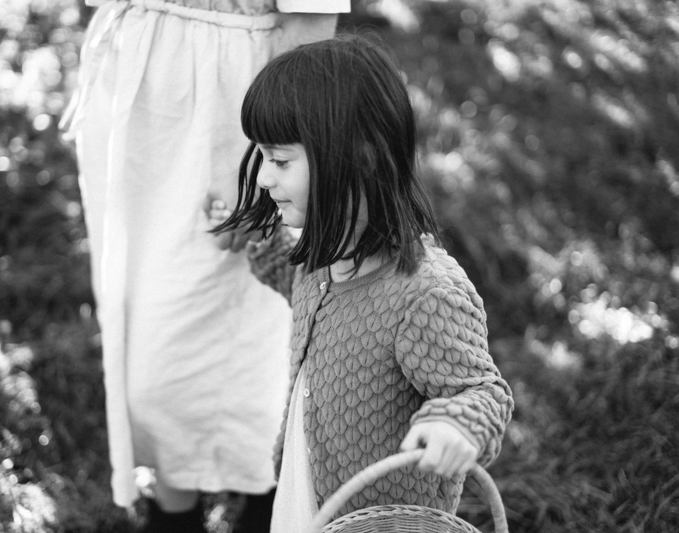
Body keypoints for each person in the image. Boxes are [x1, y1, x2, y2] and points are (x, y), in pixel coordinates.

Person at [60, 1, 350, 532]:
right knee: (148, 325)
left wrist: (278, 149)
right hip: (139, 93)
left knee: (257, 323)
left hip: (234, 103)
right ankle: (176, 507)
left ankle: (270, 499)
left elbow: (310, 19)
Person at [210, 35, 515, 532]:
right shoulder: (322, 257)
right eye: (262, 159)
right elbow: (292, 276)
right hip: (306, 499)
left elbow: (481, 389)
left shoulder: (425, 293)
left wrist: (457, 422)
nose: (263, 178)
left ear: (360, 158)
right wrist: (245, 235)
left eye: (281, 161)